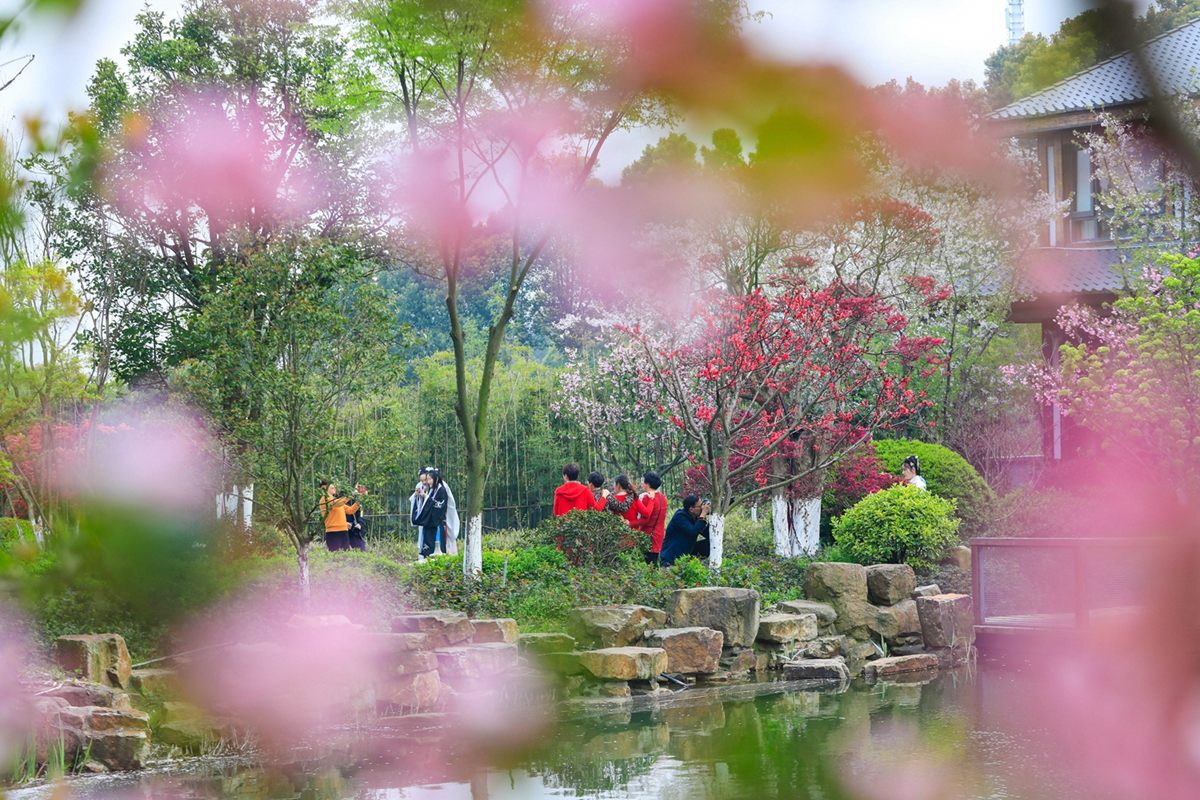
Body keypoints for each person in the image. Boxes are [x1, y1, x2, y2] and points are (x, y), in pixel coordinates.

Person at [660, 495, 710, 568]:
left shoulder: (694, 517)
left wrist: (713, 515)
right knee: (669, 578)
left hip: (684, 554)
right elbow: (693, 531)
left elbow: (707, 534)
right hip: (671, 557)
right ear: (691, 509)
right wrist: (703, 515)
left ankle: (696, 561)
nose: (702, 508)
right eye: (700, 506)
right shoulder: (680, 516)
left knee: (709, 542)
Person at [411, 468, 449, 561]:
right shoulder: (432, 490)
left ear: (436, 479)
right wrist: (419, 496)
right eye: (425, 480)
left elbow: (439, 505)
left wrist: (426, 497)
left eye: (428, 479)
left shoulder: (441, 490)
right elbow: (426, 504)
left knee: (436, 543)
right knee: (427, 544)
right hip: (429, 522)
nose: (427, 482)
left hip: (435, 523)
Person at [635, 471, 669, 566]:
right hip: (659, 535)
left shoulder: (647, 498)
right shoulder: (663, 497)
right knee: (653, 562)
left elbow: (645, 518)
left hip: (648, 535)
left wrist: (630, 523)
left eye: (643, 482)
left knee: (649, 564)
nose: (642, 484)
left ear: (648, 484)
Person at [319, 480, 359, 552]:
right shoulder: (325, 499)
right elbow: (337, 504)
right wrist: (351, 494)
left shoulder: (336, 500)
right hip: (333, 532)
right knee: (335, 557)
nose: (334, 487)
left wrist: (359, 500)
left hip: (344, 531)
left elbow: (350, 510)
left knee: (345, 556)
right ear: (324, 487)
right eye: (332, 485)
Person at [347, 485, 368, 551]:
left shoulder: (360, 503)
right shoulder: (346, 500)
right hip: (344, 528)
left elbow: (361, 515)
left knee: (361, 549)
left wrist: (360, 523)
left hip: (355, 529)